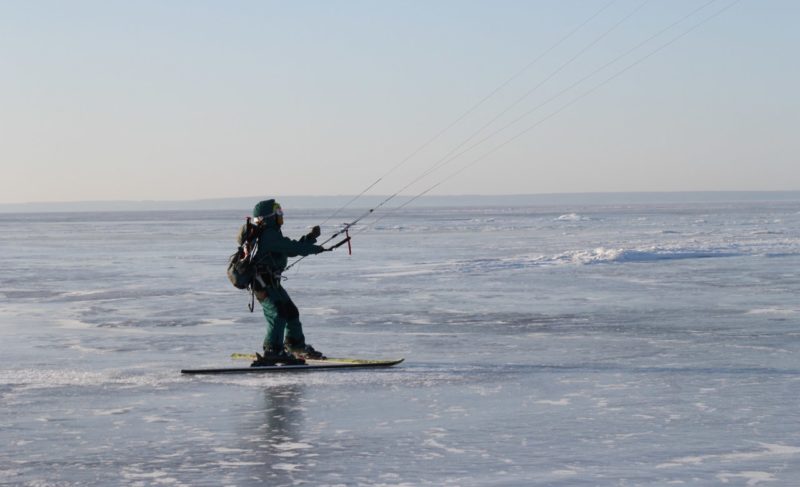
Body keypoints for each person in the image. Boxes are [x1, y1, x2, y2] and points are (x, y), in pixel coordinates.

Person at [238, 199, 326, 366]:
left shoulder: (271, 233)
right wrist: (316, 248)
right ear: (270, 217)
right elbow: (292, 248)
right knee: (278, 315)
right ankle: (272, 350)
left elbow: (288, 248)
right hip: (262, 284)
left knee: (290, 312)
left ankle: (295, 346)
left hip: (272, 283)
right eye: (278, 213)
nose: (281, 216)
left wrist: (311, 238)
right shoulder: (269, 235)